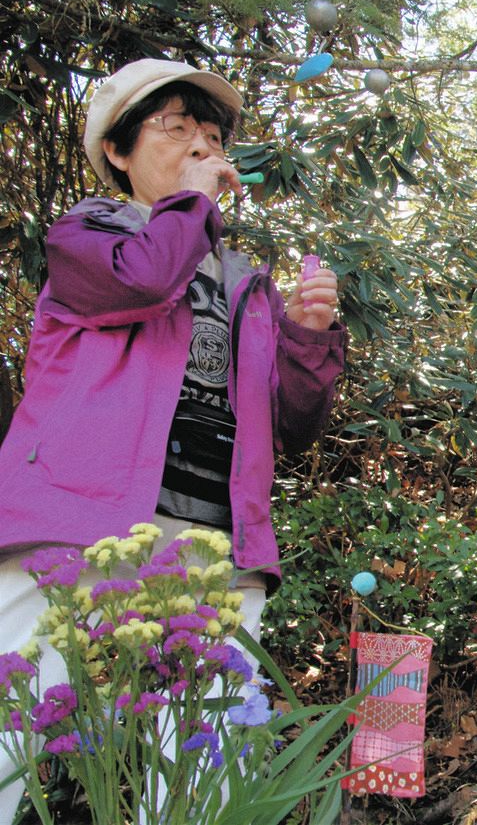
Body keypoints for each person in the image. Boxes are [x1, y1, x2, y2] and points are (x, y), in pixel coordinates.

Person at [0, 58, 347, 820]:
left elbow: (292, 425)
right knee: (8, 732)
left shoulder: (244, 281)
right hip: (74, 524)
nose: (200, 144)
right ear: (119, 153)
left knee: (202, 768)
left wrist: (308, 339)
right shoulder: (88, 235)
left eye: (213, 134)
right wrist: (192, 202)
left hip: (212, 545)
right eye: (175, 126)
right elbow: (147, 278)